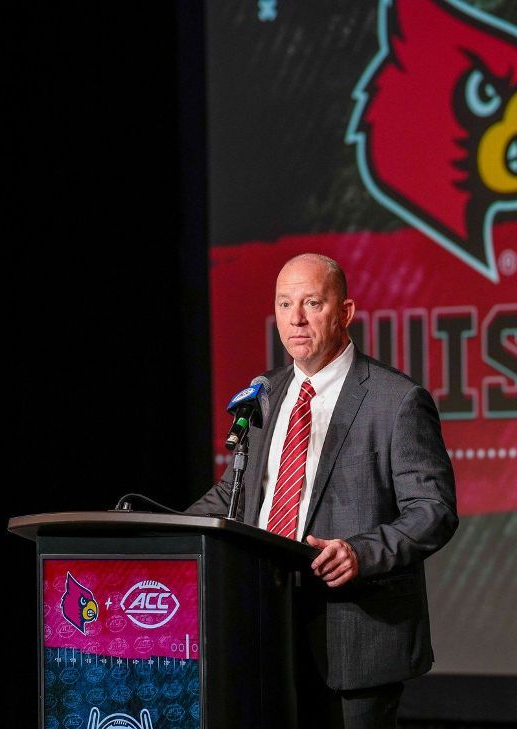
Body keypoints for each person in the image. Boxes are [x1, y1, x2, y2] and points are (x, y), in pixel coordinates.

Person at [186, 253, 458, 728]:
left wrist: (360, 553)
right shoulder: (265, 394)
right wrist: (165, 538)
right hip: (264, 627)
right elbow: (236, 493)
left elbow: (432, 510)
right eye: (284, 304)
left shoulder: (395, 400)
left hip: (354, 637)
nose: (295, 319)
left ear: (345, 313)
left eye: (311, 303)